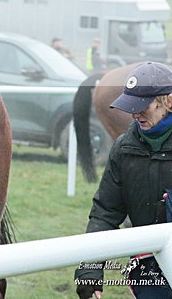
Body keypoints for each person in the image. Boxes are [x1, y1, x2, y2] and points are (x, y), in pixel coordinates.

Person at [74, 61, 172, 299]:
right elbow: (105, 212)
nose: (134, 114)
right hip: (148, 273)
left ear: (168, 101)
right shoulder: (123, 148)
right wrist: (90, 272)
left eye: (142, 106)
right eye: (131, 106)